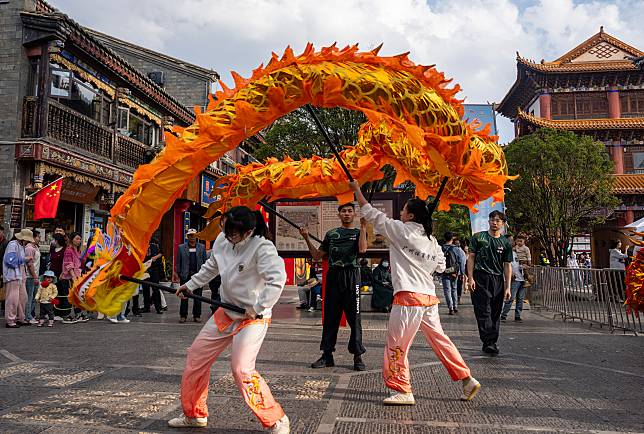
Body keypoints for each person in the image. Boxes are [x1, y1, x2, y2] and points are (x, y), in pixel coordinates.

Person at [350, 181, 480, 405]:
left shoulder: (401, 231)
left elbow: (371, 213)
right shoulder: (432, 241)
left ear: (410, 215)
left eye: (403, 210)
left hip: (408, 297)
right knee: (441, 340)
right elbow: (440, 266)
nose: (400, 213)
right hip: (428, 298)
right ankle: (466, 378)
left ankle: (403, 389)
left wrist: (356, 189)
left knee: (397, 343)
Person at [168, 206, 290, 433]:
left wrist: (258, 306)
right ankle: (194, 413)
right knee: (196, 357)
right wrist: (190, 285)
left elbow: (277, 280)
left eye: (234, 233)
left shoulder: (262, 247)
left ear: (249, 231)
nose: (228, 237)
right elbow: (211, 267)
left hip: (252, 318)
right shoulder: (223, 241)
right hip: (226, 312)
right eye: (226, 230)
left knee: (242, 369)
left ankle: (276, 419)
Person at [299, 202, 368, 371]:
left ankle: (357, 356)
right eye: (343, 211)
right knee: (330, 317)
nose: (346, 214)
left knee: (355, 318)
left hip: (352, 276)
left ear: (354, 214)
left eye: (349, 211)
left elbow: (363, 250)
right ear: (339, 215)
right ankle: (327, 355)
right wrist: (306, 237)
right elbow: (316, 256)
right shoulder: (331, 234)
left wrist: (364, 226)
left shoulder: (359, 233)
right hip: (334, 277)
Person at [467, 210, 513, 356]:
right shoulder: (478, 237)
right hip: (481, 277)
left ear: (503, 224)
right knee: (483, 310)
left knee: (495, 311)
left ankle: (491, 340)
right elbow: (471, 258)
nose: (495, 222)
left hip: (498, 279)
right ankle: (489, 342)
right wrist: (470, 278)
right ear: (489, 221)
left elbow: (507, 265)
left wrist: (507, 287)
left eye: (498, 220)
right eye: (493, 219)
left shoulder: (505, 242)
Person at [174, 228, 208, 323]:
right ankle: (183, 315)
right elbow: (178, 262)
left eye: (194, 235)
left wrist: (204, 275)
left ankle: (197, 315)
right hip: (185, 276)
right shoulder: (181, 247)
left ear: (196, 236)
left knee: (198, 297)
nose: (192, 237)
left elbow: (205, 262)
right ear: (187, 236)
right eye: (190, 235)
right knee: (184, 297)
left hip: (198, 276)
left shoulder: (201, 247)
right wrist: (179, 273)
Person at [3, 229, 33, 328]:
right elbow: (9, 261)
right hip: (13, 276)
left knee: (23, 298)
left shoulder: (21, 245)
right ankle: (10, 320)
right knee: (13, 299)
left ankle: (20, 318)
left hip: (20, 275)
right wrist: (24, 259)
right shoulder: (13, 245)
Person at [59, 232, 88, 323]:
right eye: (77, 239)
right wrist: (73, 277)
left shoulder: (78, 250)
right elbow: (69, 264)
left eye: (80, 239)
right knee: (69, 297)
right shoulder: (69, 250)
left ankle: (78, 314)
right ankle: (66, 316)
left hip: (77, 276)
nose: (79, 241)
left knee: (77, 296)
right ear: (72, 239)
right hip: (69, 277)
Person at [500, 250, 525, 322]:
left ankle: (517, 316)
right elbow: (507, 264)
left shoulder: (518, 253)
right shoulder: (508, 253)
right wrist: (510, 274)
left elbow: (518, 264)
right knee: (511, 298)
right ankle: (503, 315)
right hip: (515, 279)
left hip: (522, 279)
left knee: (520, 299)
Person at [142, 238, 164, 314]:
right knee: (145, 288)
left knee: (156, 288)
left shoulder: (155, 241)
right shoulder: (141, 241)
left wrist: (155, 257)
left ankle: (158, 307)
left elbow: (161, 253)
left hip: (155, 268)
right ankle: (146, 307)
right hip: (144, 268)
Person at [24, 230, 41, 324]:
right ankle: (28, 316)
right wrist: (34, 276)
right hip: (30, 276)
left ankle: (30, 314)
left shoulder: (36, 247)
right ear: (33, 237)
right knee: (29, 297)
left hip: (35, 275)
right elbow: (29, 264)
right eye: (38, 237)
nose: (39, 238)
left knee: (35, 297)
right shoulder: (29, 248)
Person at [441, 232, 460, 315]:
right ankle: (455, 306)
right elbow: (461, 261)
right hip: (454, 272)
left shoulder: (441, 248)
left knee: (447, 290)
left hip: (445, 272)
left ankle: (450, 308)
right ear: (452, 239)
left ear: (444, 239)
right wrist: (461, 272)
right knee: (454, 289)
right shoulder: (457, 249)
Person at [453, 239, 467, 305]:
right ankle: (458, 299)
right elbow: (462, 263)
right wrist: (462, 273)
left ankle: (452, 300)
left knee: (452, 287)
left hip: (450, 272)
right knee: (458, 286)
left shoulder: (450, 249)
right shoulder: (461, 252)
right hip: (458, 272)